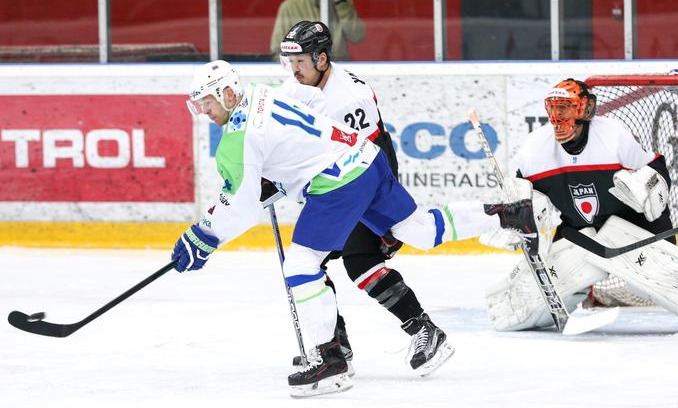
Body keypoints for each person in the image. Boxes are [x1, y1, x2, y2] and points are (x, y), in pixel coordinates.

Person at [171, 59, 540, 397]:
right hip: (366, 158)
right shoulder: (261, 94)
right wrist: (276, 179)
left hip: (338, 181)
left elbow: (241, 203)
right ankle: (509, 215)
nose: (204, 111)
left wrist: (202, 236)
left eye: (207, 101)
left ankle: (330, 361)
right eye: (199, 104)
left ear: (228, 93)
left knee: (301, 265)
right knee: (420, 230)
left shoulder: (237, 137)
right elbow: (288, 145)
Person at [275, 20, 447, 376]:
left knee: (360, 260)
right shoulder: (295, 90)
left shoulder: (350, 96)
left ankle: (424, 330)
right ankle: (334, 346)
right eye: (290, 62)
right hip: (333, 185)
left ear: (322, 59)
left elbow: (368, 157)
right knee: (310, 263)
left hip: (365, 180)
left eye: (301, 62)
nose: (294, 70)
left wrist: (382, 218)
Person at [483, 78, 678, 332]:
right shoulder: (534, 149)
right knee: (529, 304)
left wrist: (648, 187)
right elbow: (525, 202)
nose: (557, 117)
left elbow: (655, 169)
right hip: (579, 230)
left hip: (634, 226)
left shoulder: (613, 135)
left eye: (564, 108)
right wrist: (517, 217)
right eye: (553, 108)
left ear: (585, 109)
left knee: (665, 277)